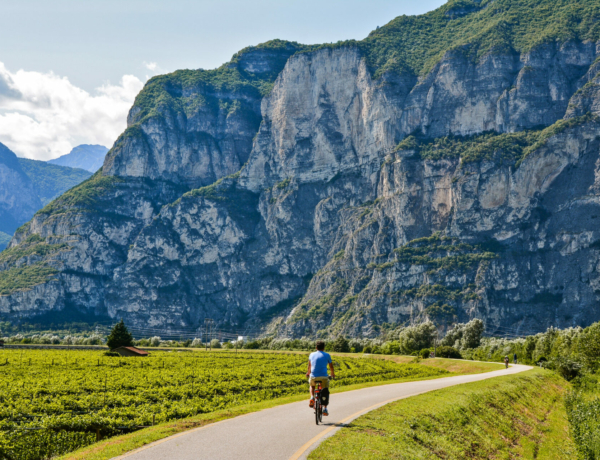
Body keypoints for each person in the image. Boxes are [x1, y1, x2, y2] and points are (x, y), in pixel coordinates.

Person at [306, 340, 335, 416]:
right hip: (323, 377)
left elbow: (309, 366)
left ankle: (312, 397)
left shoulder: (311, 354)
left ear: (316, 347)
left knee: (312, 385)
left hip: (313, 376)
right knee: (325, 391)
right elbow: (331, 366)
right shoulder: (327, 355)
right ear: (324, 348)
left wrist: (308, 373)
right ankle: (325, 409)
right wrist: (332, 374)